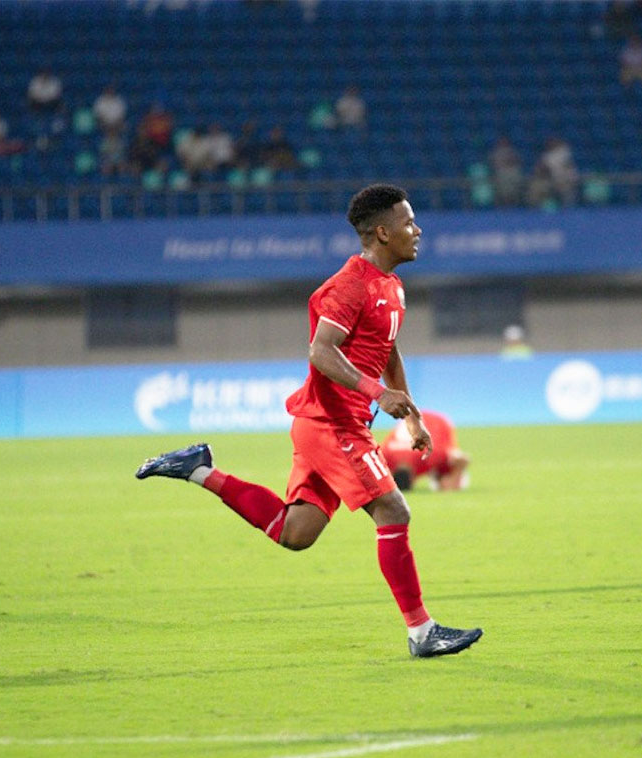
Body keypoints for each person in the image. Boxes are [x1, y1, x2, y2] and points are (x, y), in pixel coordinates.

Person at [136, 183, 483, 659]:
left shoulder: (392, 286)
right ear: (382, 233)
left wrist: (413, 419)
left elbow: (387, 349)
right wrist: (376, 391)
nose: (417, 230)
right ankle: (423, 633)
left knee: (294, 532)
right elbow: (321, 351)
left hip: (335, 422)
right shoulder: (350, 285)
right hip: (331, 423)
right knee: (394, 511)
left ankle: (198, 468)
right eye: (407, 222)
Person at [381, 410, 470, 492]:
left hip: (438, 423)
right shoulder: (383, 456)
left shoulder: (430, 454)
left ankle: (443, 477)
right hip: (413, 417)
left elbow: (461, 459)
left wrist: (454, 477)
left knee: (452, 484)